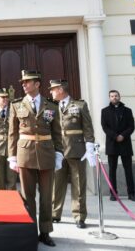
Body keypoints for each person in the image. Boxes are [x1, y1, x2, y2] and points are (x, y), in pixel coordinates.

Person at [8, 70, 63, 247]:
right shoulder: (17, 105)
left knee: (46, 196)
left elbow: (57, 132)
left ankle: (45, 232)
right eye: (22, 82)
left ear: (37, 84)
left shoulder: (51, 105)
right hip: (25, 153)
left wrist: (59, 153)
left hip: (47, 153)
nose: (23, 84)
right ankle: (30, 231)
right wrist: (12, 157)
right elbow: (12, 133)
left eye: (27, 82)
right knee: (27, 196)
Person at [49, 79, 95, 229]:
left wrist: (90, 146)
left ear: (61, 89)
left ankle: (79, 216)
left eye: (53, 89)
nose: (51, 92)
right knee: (56, 183)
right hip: (58, 151)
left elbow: (88, 127)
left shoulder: (80, 105)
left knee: (78, 184)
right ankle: (55, 213)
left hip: (76, 150)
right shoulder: (51, 107)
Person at [101, 89, 135, 202]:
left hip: (125, 143)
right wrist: (115, 136)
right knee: (112, 169)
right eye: (112, 96)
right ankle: (113, 193)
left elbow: (131, 126)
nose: (114, 98)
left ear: (119, 97)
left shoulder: (127, 111)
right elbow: (104, 127)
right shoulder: (105, 111)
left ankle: (131, 193)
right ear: (109, 98)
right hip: (112, 144)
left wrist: (123, 135)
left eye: (116, 96)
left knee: (128, 170)